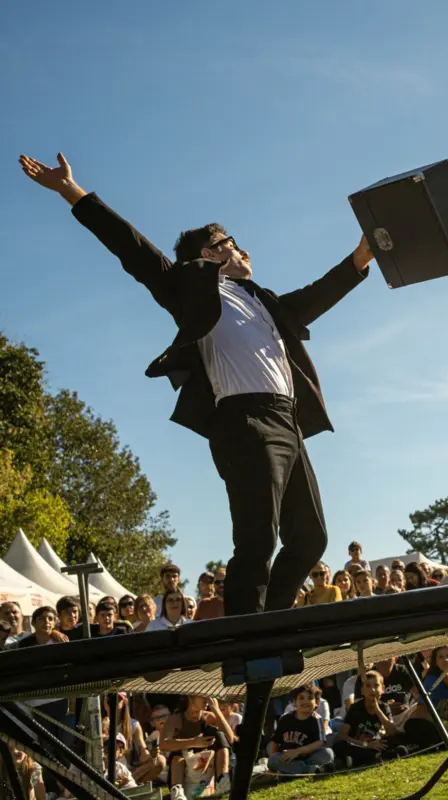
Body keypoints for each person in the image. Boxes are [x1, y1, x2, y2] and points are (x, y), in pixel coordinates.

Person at [20, 151, 375, 617]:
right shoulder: (191, 290)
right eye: (233, 242)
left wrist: (360, 258)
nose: (245, 250)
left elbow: (314, 298)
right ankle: (249, 641)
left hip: (287, 422)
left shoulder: (261, 301)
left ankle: (270, 624)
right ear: (211, 254)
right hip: (245, 421)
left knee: (311, 539)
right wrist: (71, 190)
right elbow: (133, 249)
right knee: (258, 540)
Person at [160, 696, 235, 799]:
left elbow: (229, 738)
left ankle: (222, 779)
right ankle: (177, 791)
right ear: (191, 698)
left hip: (206, 763)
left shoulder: (209, 717)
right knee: (177, 752)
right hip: (183, 764)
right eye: (203, 697)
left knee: (220, 736)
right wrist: (193, 742)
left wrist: (216, 710)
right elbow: (163, 744)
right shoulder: (175, 719)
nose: (207, 700)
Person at [268, 686, 335, 775]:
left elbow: (320, 742)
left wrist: (297, 751)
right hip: (287, 758)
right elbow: (276, 742)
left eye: (310, 698)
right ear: (295, 702)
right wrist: (271, 767)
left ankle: (289, 771)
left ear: (317, 702)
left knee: (328, 753)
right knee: (273, 759)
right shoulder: (285, 718)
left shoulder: (317, 719)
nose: (305, 701)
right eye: (301, 698)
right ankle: (311, 769)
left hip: (308, 757)